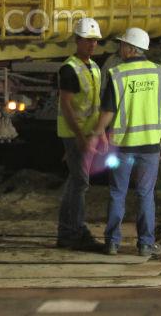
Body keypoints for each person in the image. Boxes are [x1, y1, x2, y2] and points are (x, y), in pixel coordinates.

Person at [93, 27, 161, 257]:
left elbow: (108, 111)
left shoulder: (117, 74)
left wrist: (98, 133)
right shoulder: (159, 72)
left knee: (118, 193)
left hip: (122, 147)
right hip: (150, 147)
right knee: (145, 194)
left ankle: (112, 243)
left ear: (129, 48)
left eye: (121, 45)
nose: (120, 49)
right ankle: (146, 244)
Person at [56, 17, 104, 251]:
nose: (92, 45)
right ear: (77, 41)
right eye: (88, 40)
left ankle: (69, 230)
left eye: (95, 41)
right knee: (80, 182)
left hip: (86, 134)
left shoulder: (94, 68)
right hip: (76, 134)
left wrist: (99, 133)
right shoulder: (69, 69)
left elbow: (94, 105)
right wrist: (80, 137)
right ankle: (72, 231)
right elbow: (66, 106)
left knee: (76, 181)